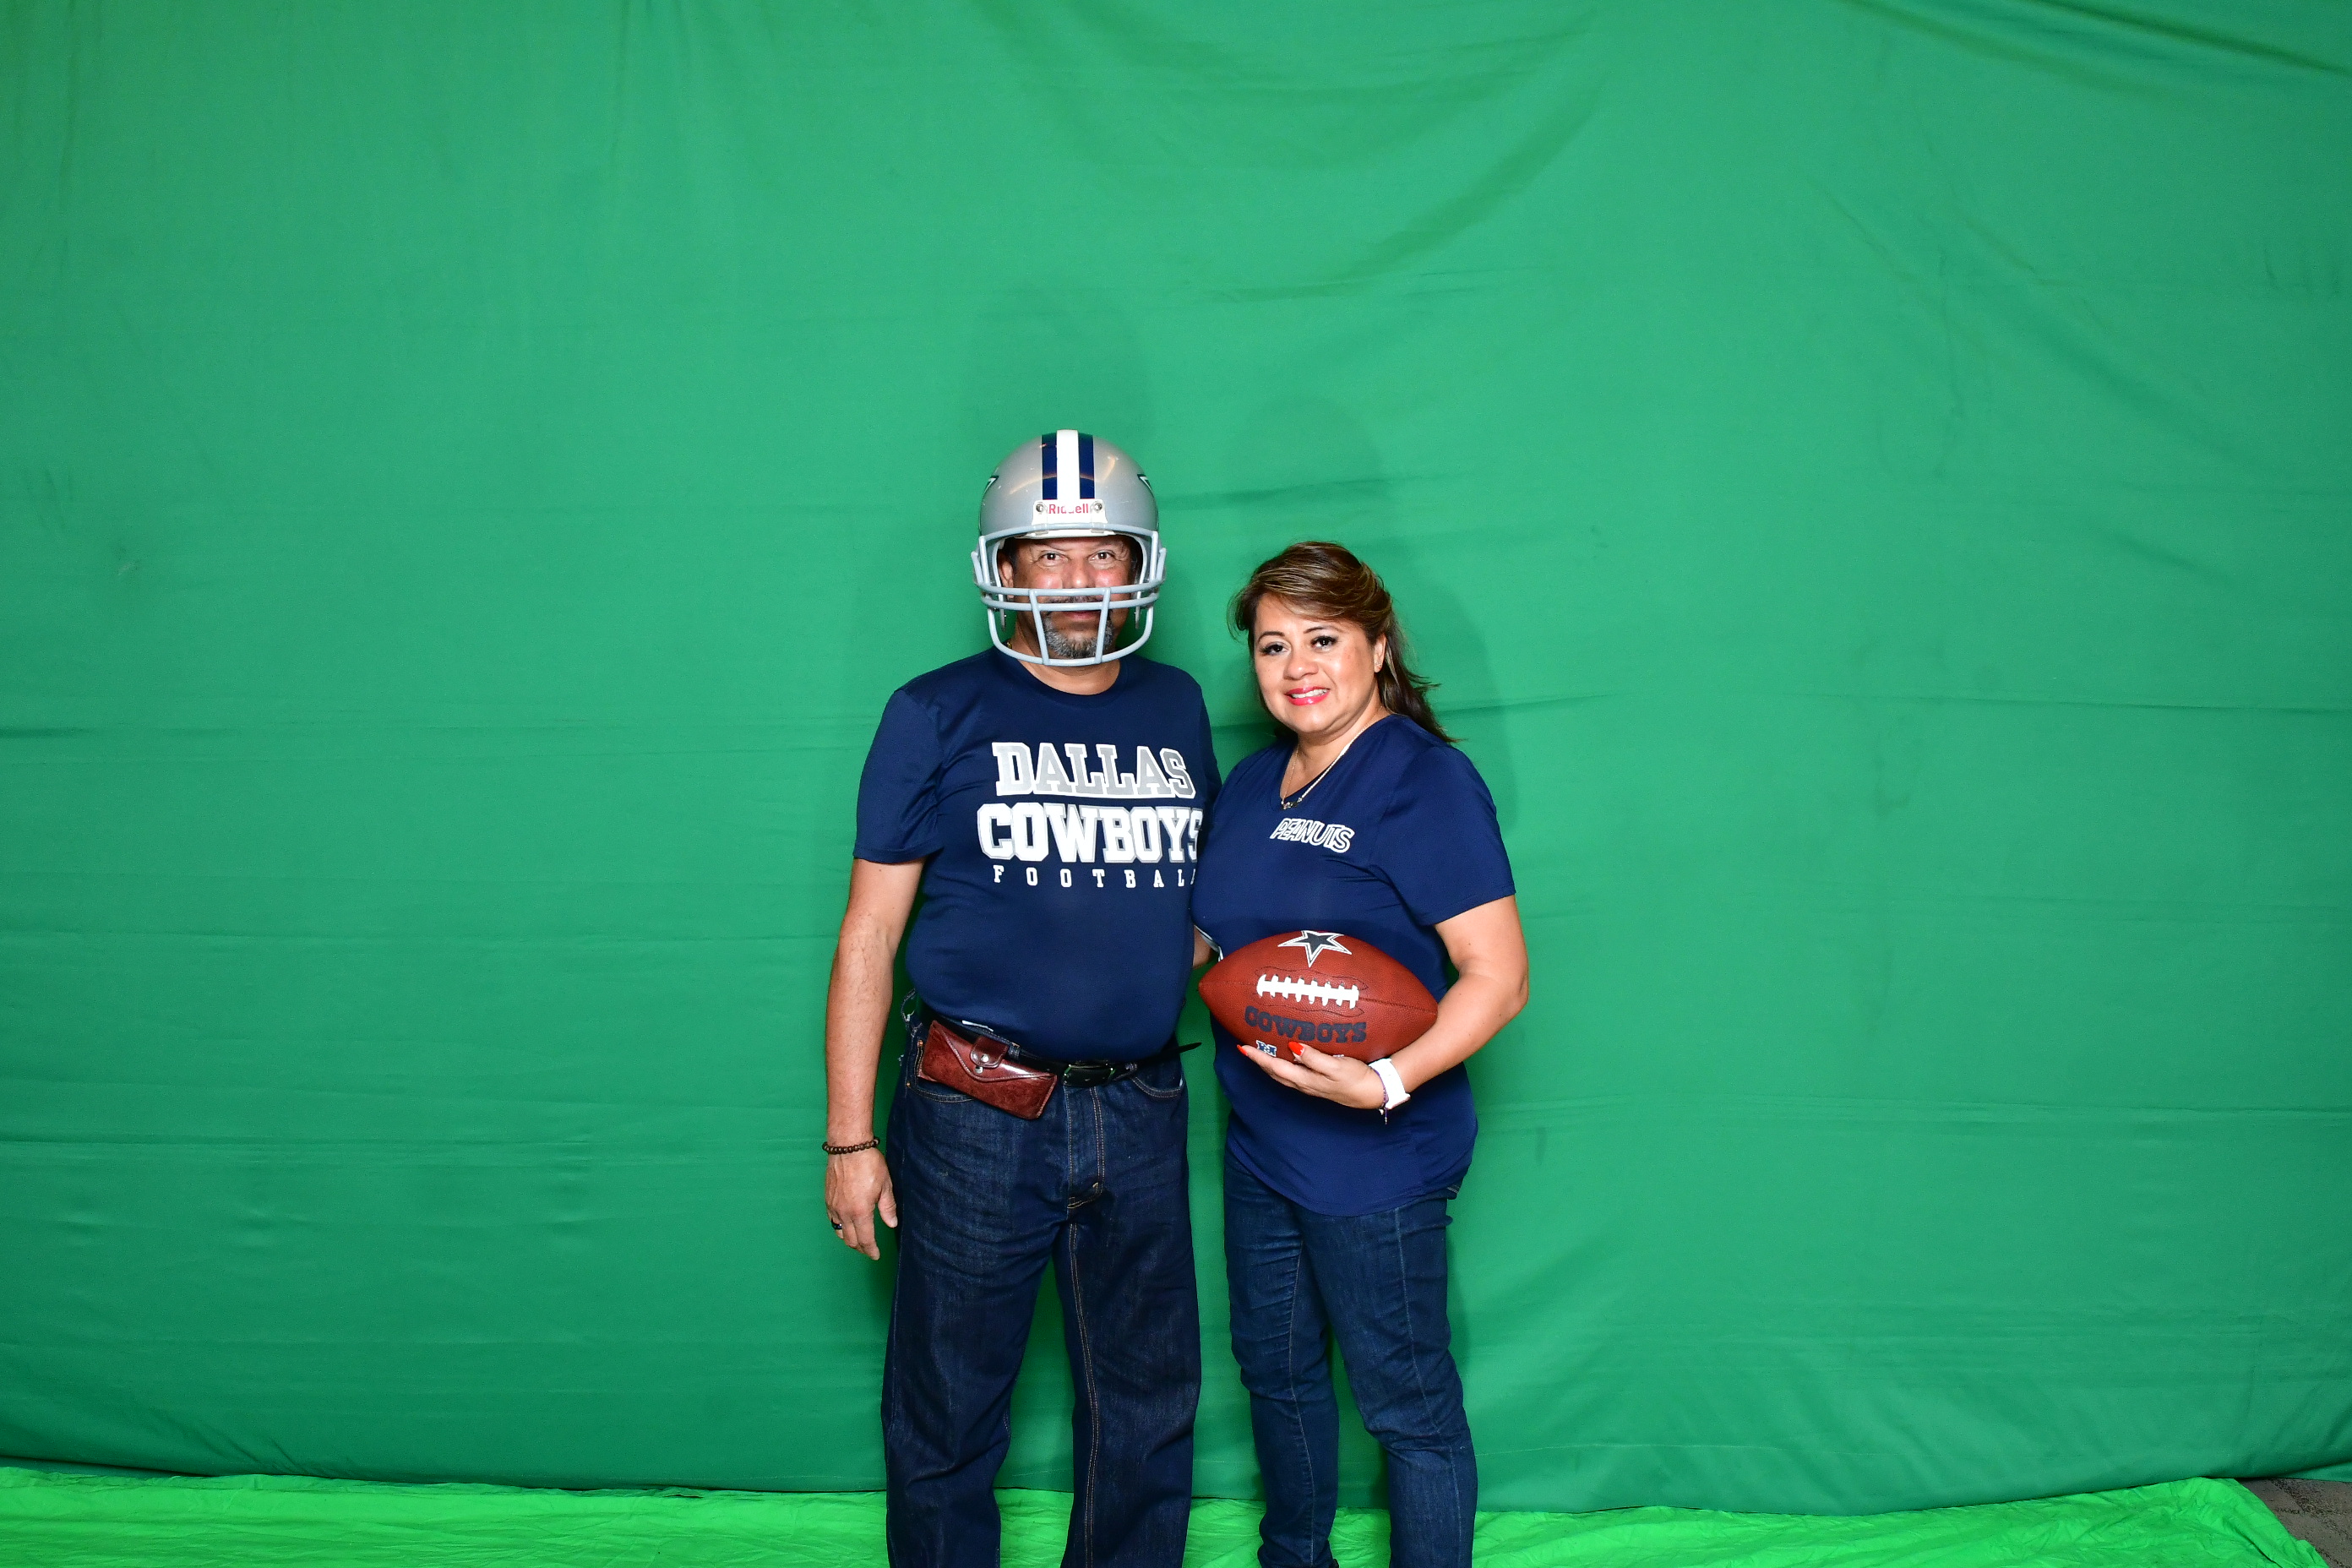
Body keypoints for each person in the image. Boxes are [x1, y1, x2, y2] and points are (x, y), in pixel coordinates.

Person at [821, 431, 1219, 1568]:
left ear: (1139, 561)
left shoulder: (1178, 705)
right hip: (976, 1107)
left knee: (1149, 1408)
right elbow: (869, 934)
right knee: (948, 1409)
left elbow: (1192, 898)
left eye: (1103, 552)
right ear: (1004, 566)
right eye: (1050, 554)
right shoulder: (933, 710)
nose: (1079, 578)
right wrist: (850, 1137)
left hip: (1141, 1102)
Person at [1190, 542, 1528, 1568]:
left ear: (1378, 647)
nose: (1297, 666)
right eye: (1272, 645)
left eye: (1324, 638)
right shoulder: (1255, 781)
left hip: (1378, 1154)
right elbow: (1214, 940)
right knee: (1277, 1373)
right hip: (1262, 1139)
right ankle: (1294, 1557)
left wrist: (1385, 1080)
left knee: (1404, 1403)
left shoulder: (1425, 781)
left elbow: (1499, 975)